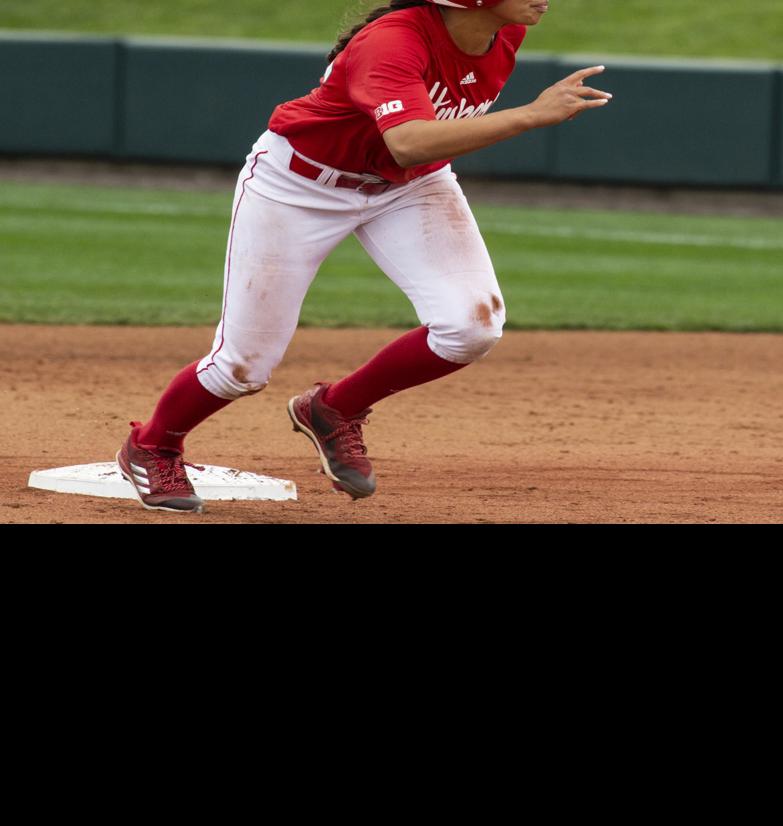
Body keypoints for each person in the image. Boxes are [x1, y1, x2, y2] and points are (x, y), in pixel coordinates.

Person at [116, 0, 612, 513]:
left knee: (471, 327)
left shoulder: (503, 31)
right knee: (242, 368)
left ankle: (333, 409)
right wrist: (530, 115)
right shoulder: (392, 41)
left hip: (410, 186)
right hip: (300, 186)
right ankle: (152, 446)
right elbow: (407, 142)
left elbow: (412, 155)